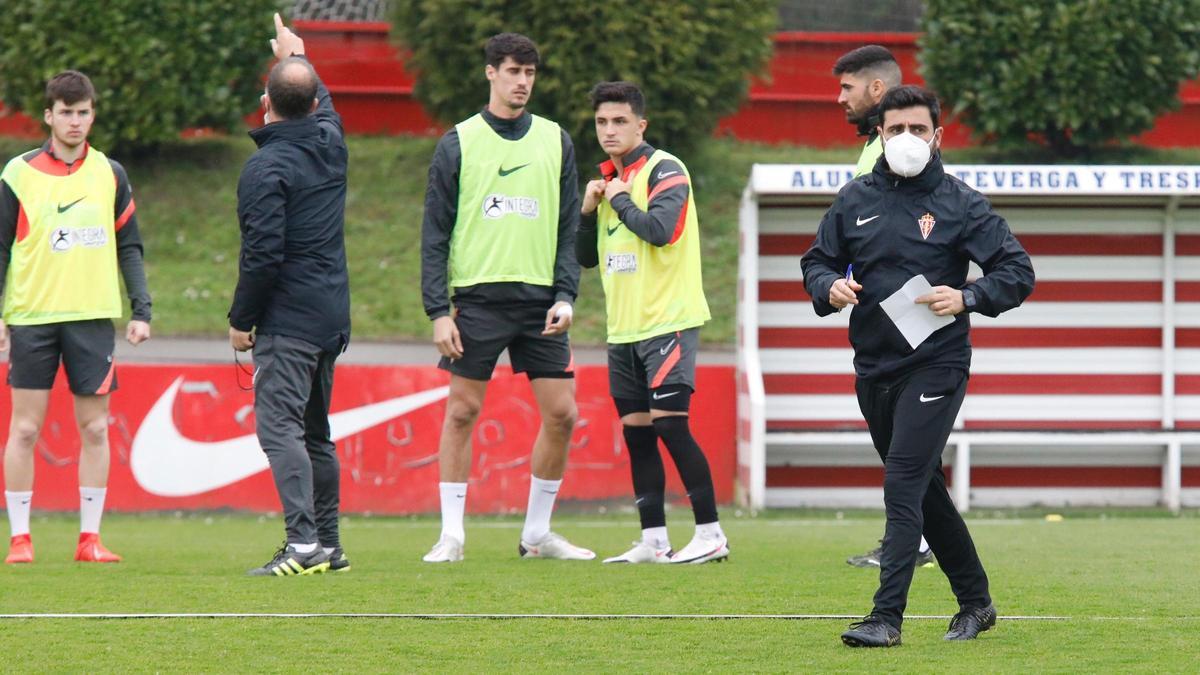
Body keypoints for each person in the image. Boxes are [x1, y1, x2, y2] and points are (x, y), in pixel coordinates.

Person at [800, 85, 1035, 646]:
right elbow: (817, 260)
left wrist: (969, 297)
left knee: (902, 482)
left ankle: (886, 618)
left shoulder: (962, 203)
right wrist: (828, 285)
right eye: (896, 129)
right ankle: (976, 604)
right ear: (879, 134)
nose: (907, 139)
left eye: (918, 129)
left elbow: (1017, 271)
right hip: (873, 367)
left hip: (937, 364)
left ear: (938, 136)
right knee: (925, 490)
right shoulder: (854, 199)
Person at [419, 33, 592, 563]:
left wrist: (566, 293)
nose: (522, 82)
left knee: (563, 414)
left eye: (530, 73)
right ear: (490, 73)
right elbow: (435, 233)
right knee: (463, 411)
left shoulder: (555, 140)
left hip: (541, 304)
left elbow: (567, 228)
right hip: (479, 302)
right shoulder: (459, 142)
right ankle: (452, 535)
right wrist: (437, 311)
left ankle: (536, 534)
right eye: (513, 71)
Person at [0, 70, 152, 564]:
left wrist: (141, 309)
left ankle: (90, 539)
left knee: (94, 429)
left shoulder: (111, 173)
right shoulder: (17, 174)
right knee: (24, 429)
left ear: (92, 114)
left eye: (83, 112)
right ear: (48, 116)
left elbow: (130, 245)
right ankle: (20, 539)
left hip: (92, 318)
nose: (75, 121)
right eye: (65, 112)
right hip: (32, 317)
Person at [577, 82, 727, 564]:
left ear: (640, 125)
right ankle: (654, 539)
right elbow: (584, 258)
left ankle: (711, 533)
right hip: (623, 329)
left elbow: (661, 232)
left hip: (669, 322)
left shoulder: (665, 168)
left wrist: (619, 199)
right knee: (638, 433)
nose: (609, 130)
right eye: (602, 122)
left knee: (671, 427)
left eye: (619, 121)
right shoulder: (606, 181)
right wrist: (587, 211)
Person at [230, 14, 351, 577]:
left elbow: (263, 255)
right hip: (330, 316)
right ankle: (328, 546)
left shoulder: (266, 166)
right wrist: (297, 55)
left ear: (265, 103)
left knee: (279, 430)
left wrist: (240, 319)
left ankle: (303, 545)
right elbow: (315, 97)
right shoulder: (331, 141)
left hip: (289, 319)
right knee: (315, 433)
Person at [833, 44, 934, 570]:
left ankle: (913, 544)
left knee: (906, 447)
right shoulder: (876, 149)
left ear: (877, 90)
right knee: (908, 446)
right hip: (883, 315)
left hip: (907, 319)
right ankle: (919, 538)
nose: (840, 99)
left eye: (847, 88)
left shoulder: (899, 152)